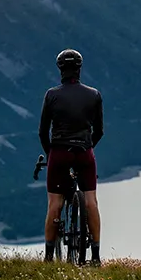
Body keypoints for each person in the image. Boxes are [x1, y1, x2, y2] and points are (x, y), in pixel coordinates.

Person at [38, 48, 103, 265]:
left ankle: (48, 258)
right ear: (79, 69)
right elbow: (99, 130)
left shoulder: (52, 95)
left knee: (54, 204)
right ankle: (95, 256)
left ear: (60, 69)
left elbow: (42, 132)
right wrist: (87, 147)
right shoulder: (94, 94)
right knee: (91, 201)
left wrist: (51, 155)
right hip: (84, 152)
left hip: (59, 152)